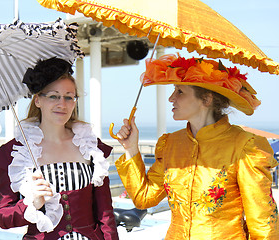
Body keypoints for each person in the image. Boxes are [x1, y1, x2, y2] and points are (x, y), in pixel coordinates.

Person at [115, 54, 279, 239]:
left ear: (206, 99)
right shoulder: (170, 143)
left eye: (180, 92)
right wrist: (131, 149)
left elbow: (263, 224)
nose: (171, 98)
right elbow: (144, 197)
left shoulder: (245, 146)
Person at [0, 57, 119, 240]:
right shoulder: (16, 153)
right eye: (53, 96)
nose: (62, 104)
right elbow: (2, 217)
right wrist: (31, 204)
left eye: (69, 97)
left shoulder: (90, 146)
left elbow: (105, 214)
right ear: (37, 101)